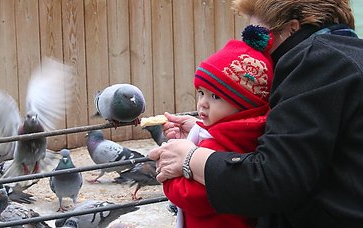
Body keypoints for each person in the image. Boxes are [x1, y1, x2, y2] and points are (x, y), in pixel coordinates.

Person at [148, 0, 363, 227]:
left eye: (256, 36)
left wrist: (189, 158)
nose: (253, 49)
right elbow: (311, 150)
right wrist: (209, 133)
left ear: (292, 28)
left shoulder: (316, 60)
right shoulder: (348, 57)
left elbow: (273, 181)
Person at [164, 25, 274, 228]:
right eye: (201, 93)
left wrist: (169, 173)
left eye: (215, 96)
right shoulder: (246, 133)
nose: (203, 103)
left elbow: (191, 197)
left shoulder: (220, 145)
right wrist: (192, 134)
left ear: (244, 106)